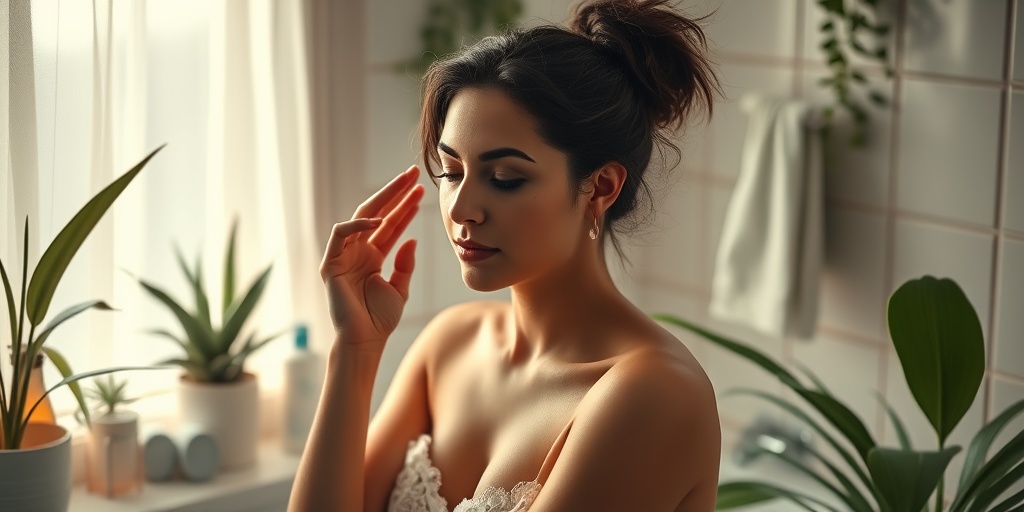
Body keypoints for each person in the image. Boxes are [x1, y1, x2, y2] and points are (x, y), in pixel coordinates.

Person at [289, 0, 722, 510]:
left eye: (505, 179)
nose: (462, 209)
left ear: (599, 187)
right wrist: (355, 351)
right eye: (451, 173)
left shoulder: (651, 394)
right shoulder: (448, 345)